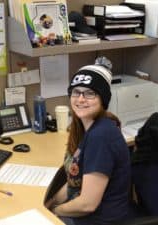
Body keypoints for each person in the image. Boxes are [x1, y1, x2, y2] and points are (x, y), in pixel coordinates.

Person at [45, 58, 131, 225]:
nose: (81, 99)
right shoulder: (88, 129)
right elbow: (73, 183)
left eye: (90, 93)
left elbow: (87, 204)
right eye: (76, 92)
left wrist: (54, 211)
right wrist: (50, 203)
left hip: (99, 220)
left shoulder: (102, 136)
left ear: (103, 99)